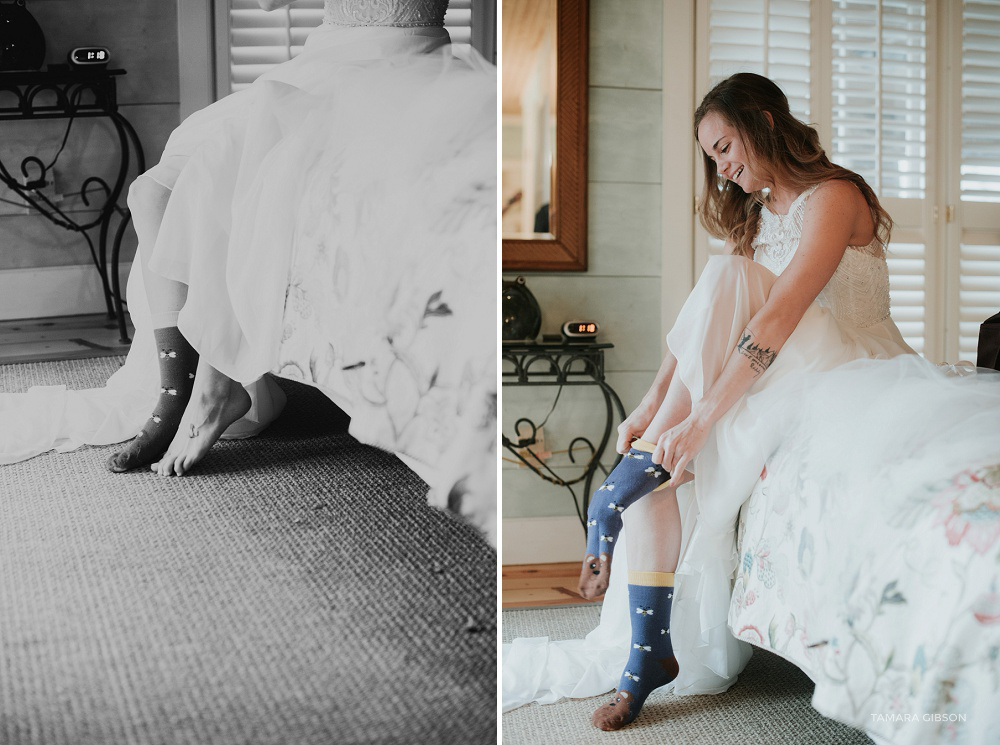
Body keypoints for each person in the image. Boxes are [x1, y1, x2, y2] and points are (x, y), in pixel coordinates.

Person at [502, 72, 1000, 731]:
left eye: (725, 146)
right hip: (775, 377)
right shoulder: (754, 219)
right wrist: (652, 409)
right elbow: (701, 326)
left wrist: (702, 419)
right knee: (670, 447)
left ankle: (629, 483)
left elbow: (781, 315)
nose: (723, 167)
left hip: (849, 368)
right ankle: (646, 654)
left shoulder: (835, 196)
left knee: (711, 339)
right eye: (711, 157)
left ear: (766, 121)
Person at [0, 0, 492, 476]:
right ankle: (177, 393)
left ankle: (211, 391)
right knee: (151, 193)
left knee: (244, 173)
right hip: (318, 69)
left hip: (400, 74)